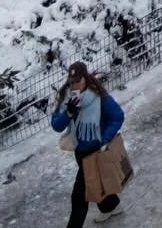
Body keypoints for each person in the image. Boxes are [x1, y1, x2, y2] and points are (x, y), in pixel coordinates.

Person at [49, 64, 126, 228]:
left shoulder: (99, 96)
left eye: (77, 81)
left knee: (79, 195)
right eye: (71, 82)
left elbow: (117, 116)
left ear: (85, 78)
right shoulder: (67, 97)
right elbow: (56, 126)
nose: (74, 85)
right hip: (80, 151)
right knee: (95, 181)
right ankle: (111, 206)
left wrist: (104, 139)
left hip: (94, 153)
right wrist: (68, 113)